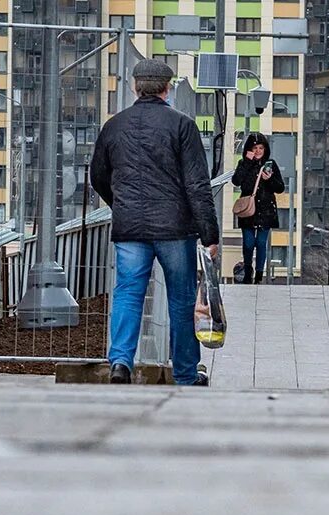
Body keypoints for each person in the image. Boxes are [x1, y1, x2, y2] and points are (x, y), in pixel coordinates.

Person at [91, 59, 218, 387]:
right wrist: (210, 233)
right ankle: (186, 374)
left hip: (129, 228)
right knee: (181, 296)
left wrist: (122, 206)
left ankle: (120, 362)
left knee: (128, 292)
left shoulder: (114, 126)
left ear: (135, 87)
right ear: (167, 88)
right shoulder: (182, 125)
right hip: (175, 229)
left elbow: (98, 177)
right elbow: (197, 184)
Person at [231, 133, 285, 285]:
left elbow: (280, 187)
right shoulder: (244, 163)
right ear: (249, 149)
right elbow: (236, 181)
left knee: (261, 243)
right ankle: (248, 270)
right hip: (248, 210)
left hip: (266, 210)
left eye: (261, 148)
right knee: (248, 243)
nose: (258, 151)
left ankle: (259, 275)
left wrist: (269, 180)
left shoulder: (270, 164)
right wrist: (247, 162)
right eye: (255, 148)